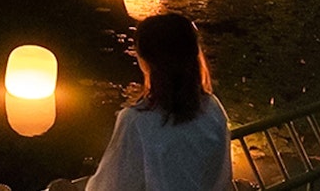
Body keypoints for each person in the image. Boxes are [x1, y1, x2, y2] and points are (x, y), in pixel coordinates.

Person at [84, 12, 232, 191]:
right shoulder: (212, 108)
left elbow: (111, 186)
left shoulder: (137, 121)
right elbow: (222, 178)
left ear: (145, 61)